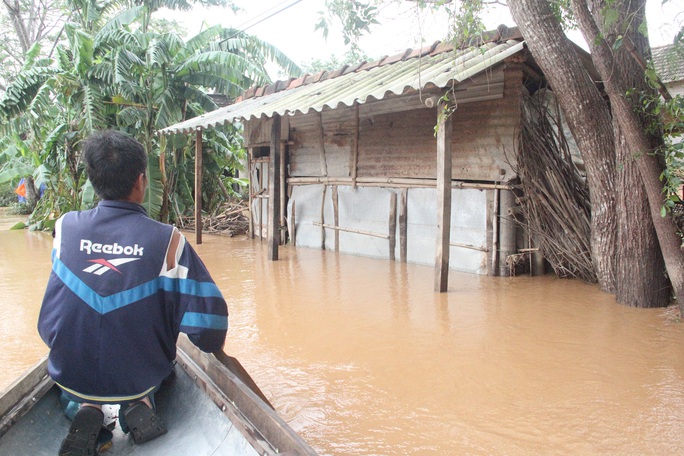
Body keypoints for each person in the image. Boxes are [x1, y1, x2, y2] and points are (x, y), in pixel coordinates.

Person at [37, 130, 229, 455]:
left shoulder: (65, 229)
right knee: (151, 367)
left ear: (93, 181)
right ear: (141, 181)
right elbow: (209, 325)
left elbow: (50, 320)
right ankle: (138, 401)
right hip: (139, 375)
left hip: (71, 371)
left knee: (78, 372)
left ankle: (88, 409)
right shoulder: (168, 240)